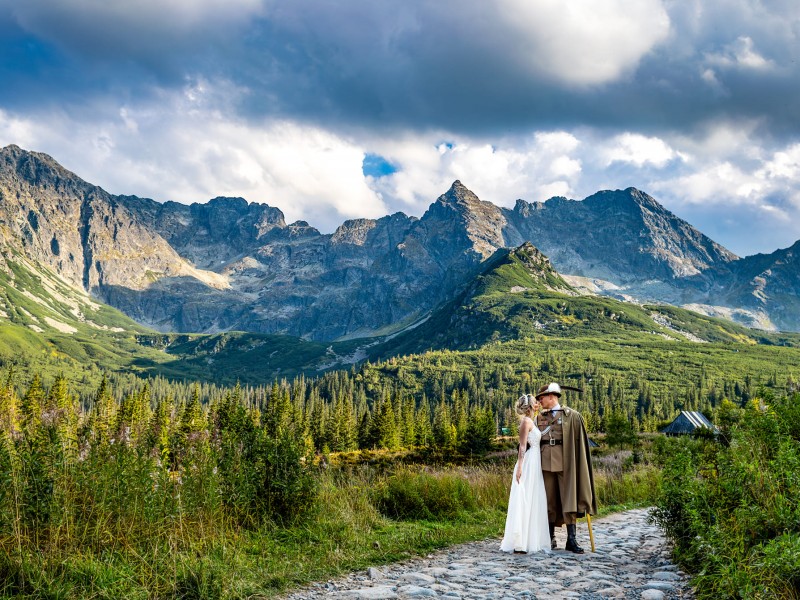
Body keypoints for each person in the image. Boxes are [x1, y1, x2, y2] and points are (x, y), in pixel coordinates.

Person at [534, 382, 597, 554]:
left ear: (552, 396)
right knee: (549, 500)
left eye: (542, 397)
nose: (539, 401)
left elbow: (580, 444)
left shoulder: (572, 416)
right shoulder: (539, 417)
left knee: (569, 499)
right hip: (545, 463)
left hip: (566, 463)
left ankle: (571, 539)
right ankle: (550, 538)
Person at [499, 393, 550, 554]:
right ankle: (520, 541)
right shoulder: (525, 422)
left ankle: (531, 539)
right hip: (528, 463)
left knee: (534, 498)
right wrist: (520, 467)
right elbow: (522, 446)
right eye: (536, 402)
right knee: (525, 498)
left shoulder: (533, 421)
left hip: (536, 462)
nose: (538, 404)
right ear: (530, 406)